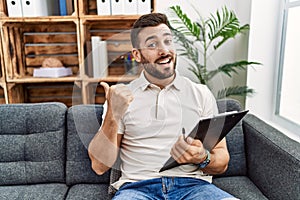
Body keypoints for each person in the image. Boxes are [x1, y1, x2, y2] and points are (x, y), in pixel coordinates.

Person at [88, 13, 238, 200]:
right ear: (137, 55)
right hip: (137, 189)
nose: (164, 50)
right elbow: (99, 166)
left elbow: (222, 161)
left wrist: (201, 157)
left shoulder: (200, 94)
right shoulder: (121, 97)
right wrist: (113, 113)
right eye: (152, 44)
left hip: (193, 187)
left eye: (168, 41)